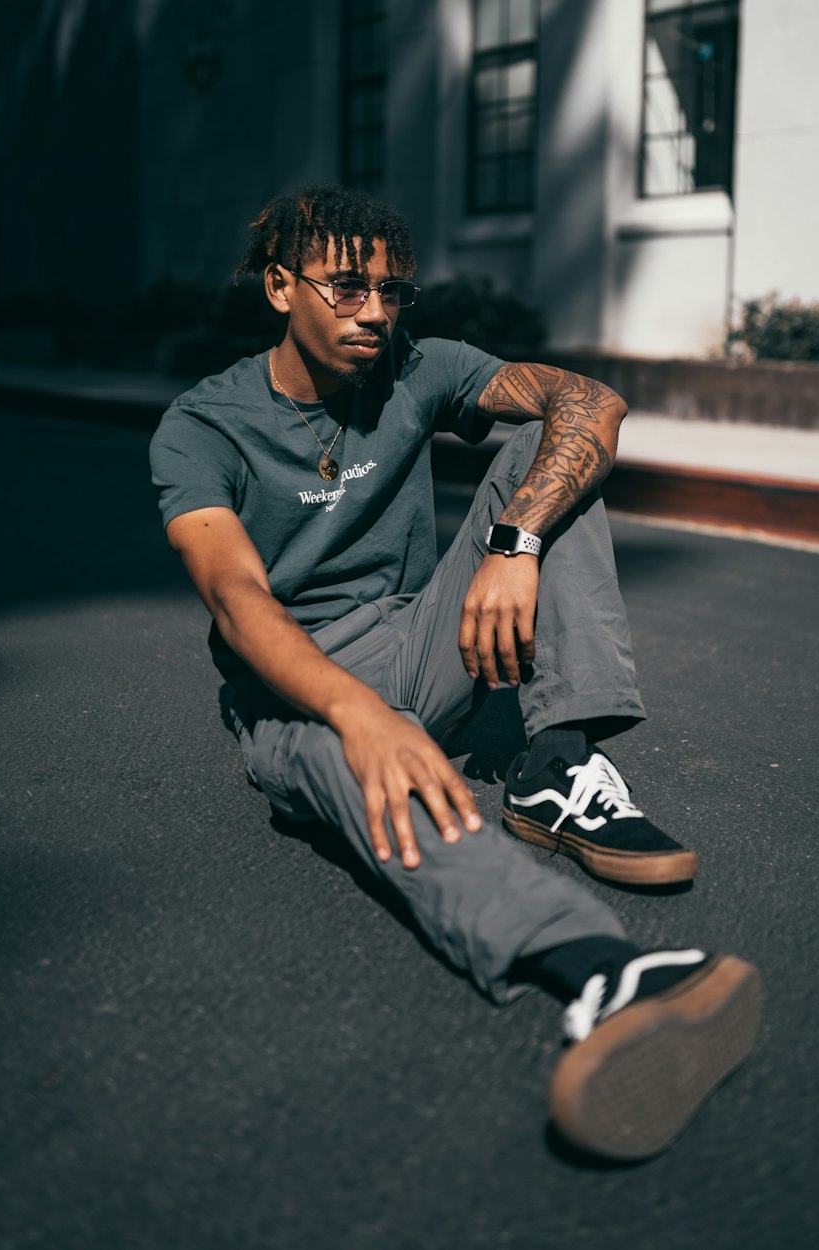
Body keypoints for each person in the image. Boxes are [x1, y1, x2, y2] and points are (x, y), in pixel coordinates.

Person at [150, 184, 761, 1160]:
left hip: (423, 642)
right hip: (296, 689)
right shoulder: (200, 428)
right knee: (365, 769)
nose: (375, 313)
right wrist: (361, 715)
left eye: (394, 292)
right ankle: (603, 971)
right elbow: (239, 602)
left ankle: (553, 762)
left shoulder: (418, 368)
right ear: (279, 286)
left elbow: (589, 403)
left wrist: (513, 543)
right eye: (346, 287)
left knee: (550, 447)